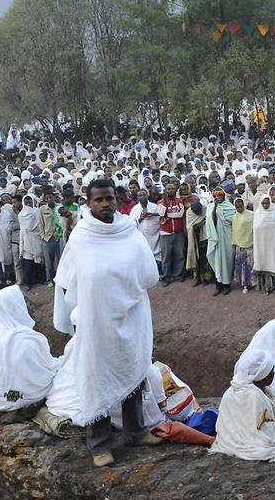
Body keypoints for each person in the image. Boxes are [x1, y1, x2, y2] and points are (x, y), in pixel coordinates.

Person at [52, 178, 163, 467]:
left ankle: (135, 432)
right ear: (88, 203)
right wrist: (84, 310)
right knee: (97, 379)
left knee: (134, 370)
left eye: (109, 198)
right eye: (98, 199)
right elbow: (65, 281)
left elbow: (149, 273)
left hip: (133, 315)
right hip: (97, 321)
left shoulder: (130, 231)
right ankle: (100, 444)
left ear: (117, 199)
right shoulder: (81, 237)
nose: (105, 204)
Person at [0, 284, 60, 415]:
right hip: (18, 399)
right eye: (24, 301)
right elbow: (42, 376)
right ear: (14, 305)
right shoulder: (27, 339)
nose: (30, 305)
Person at [210, 349, 275, 461]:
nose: (274, 374)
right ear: (264, 376)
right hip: (253, 441)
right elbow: (263, 432)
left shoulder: (234, 389)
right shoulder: (254, 396)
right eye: (272, 371)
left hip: (230, 438)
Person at [252, 195, 275, 293]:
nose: (265, 205)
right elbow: (256, 229)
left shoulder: (274, 212)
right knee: (263, 262)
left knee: (273, 262)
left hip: (273, 245)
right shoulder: (257, 213)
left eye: (267, 203)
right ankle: (264, 285)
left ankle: (273, 285)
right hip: (262, 245)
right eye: (263, 203)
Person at [206, 187, 235, 296]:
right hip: (215, 238)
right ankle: (218, 286)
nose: (217, 197)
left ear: (224, 196)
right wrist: (215, 207)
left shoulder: (230, 207)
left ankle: (227, 285)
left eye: (219, 195)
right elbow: (210, 221)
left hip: (226, 238)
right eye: (215, 196)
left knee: (226, 261)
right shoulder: (210, 207)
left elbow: (233, 222)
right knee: (216, 261)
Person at [157, 182, 186, 285]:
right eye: (168, 189)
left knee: (179, 254)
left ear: (175, 190)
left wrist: (168, 215)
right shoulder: (160, 202)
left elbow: (180, 214)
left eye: (172, 188)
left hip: (178, 232)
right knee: (166, 256)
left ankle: (177, 274)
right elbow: (161, 213)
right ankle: (166, 277)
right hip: (166, 233)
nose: (171, 190)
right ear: (165, 190)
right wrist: (165, 201)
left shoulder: (179, 200)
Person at [130, 189, 162, 271]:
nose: (142, 197)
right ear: (137, 198)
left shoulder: (155, 206)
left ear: (147, 195)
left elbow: (160, 218)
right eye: (140, 195)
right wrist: (141, 218)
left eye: (144, 195)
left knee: (158, 256)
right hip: (143, 236)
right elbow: (131, 223)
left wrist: (152, 215)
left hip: (156, 235)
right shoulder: (135, 209)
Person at [231, 197, 255, 294]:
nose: (239, 209)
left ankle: (252, 282)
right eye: (237, 207)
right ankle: (244, 284)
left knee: (250, 264)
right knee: (242, 265)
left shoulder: (251, 215)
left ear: (244, 206)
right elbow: (235, 231)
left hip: (249, 244)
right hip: (239, 245)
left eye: (241, 207)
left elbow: (254, 228)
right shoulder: (234, 217)